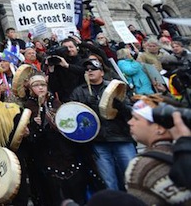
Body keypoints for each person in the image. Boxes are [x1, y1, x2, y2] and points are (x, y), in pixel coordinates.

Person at [69, 58, 136, 191]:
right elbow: (73, 116)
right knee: (108, 181)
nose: (89, 71)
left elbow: (131, 112)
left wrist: (120, 106)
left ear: (102, 72)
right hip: (98, 141)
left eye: (93, 69)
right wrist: (88, 109)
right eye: (87, 70)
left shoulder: (116, 87)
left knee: (132, 177)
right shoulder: (79, 92)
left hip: (121, 137)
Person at [22, 74, 88, 205]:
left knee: (74, 185)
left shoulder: (56, 102)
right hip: (45, 151)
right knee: (53, 190)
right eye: (36, 85)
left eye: (43, 85)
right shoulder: (28, 106)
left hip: (64, 149)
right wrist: (36, 122)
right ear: (30, 89)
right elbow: (31, 134)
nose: (40, 88)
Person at [125, 99, 191, 205]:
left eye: (136, 119)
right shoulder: (185, 149)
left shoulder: (141, 165)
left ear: (159, 128)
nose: (130, 122)